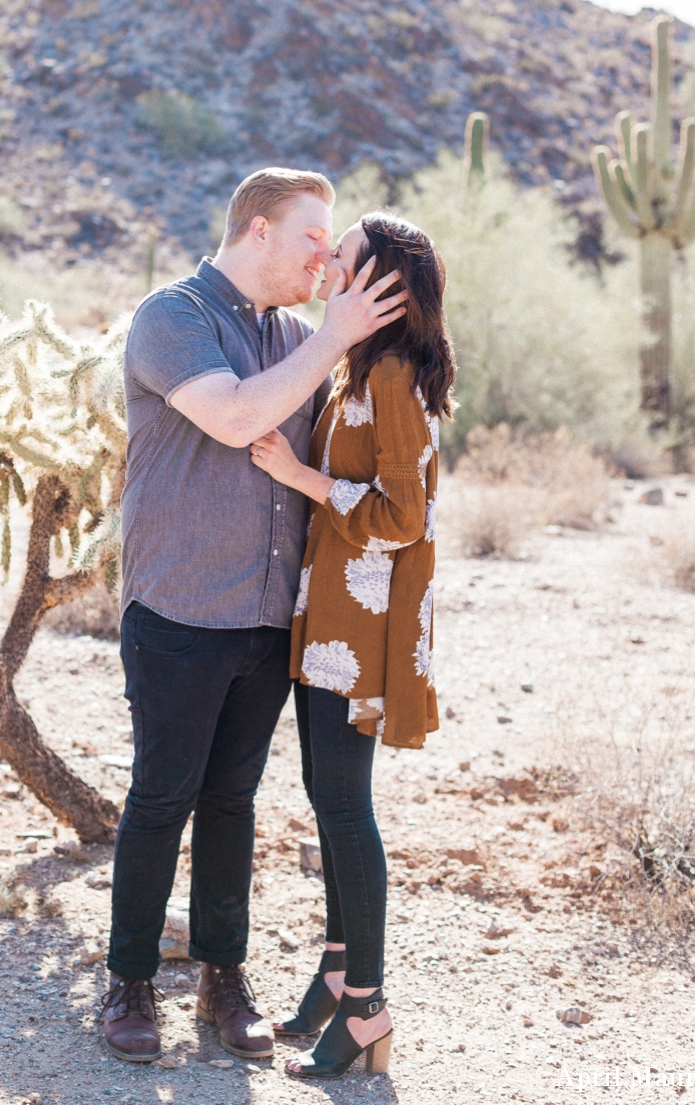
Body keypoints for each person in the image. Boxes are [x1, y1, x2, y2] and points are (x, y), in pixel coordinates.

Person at [101, 169, 408, 1065]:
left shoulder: (294, 335)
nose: (326, 256)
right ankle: (127, 982)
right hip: (179, 607)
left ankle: (221, 976)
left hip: (270, 617)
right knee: (162, 796)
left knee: (232, 800)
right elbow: (237, 418)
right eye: (314, 237)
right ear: (259, 230)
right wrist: (336, 336)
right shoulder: (174, 316)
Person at [249, 213, 456, 1080]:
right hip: (329, 619)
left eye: (347, 254)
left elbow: (403, 517)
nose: (329, 259)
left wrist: (300, 477)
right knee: (326, 796)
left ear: (384, 286)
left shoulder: (397, 375)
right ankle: (338, 975)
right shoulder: (358, 367)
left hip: (361, 633)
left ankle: (367, 1007)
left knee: (343, 808)